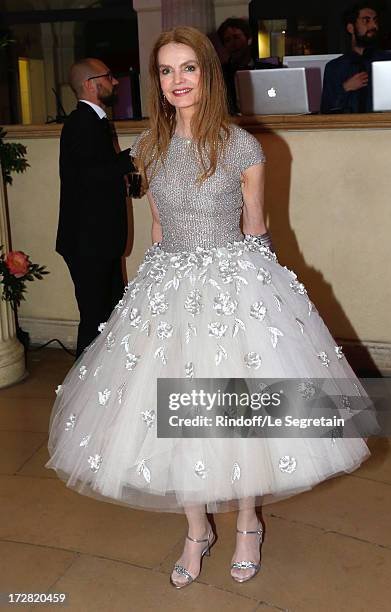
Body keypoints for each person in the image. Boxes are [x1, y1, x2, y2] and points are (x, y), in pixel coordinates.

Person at [46, 27, 373, 588]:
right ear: (157, 81)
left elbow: (256, 228)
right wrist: (149, 286)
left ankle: (248, 521)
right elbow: (157, 226)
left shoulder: (242, 145)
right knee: (171, 416)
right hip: (166, 286)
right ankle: (196, 528)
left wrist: (269, 299)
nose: (177, 80)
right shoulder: (147, 146)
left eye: (188, 68)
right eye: (167, 71)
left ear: (208, 74)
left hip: (230, 285)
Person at [56, 58, 135, 358]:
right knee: (94, 322)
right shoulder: (81, 123)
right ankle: (81, 392)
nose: (115, 82)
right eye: (109, 77)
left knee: (109, 317)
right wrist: (137, 153)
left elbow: (92, 176)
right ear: (91, 84)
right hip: (88, 243)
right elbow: (94, 175)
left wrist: (126, 178)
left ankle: (102, 385)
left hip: (98, 240)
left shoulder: (94, 121)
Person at [321, 2, 391, 113]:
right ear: (350, 28)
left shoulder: (390, 62)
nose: (374, 26)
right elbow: (325, 110)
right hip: (346, 128)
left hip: (383, 127)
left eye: (375, 21)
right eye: (366, 20)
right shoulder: (334, 67)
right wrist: (345, 88)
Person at [217, 17, 254, 114]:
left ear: (248, 39)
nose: (233, 43)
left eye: (237, 37)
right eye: (227, 40)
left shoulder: (264, 68)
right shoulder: (220, 73)